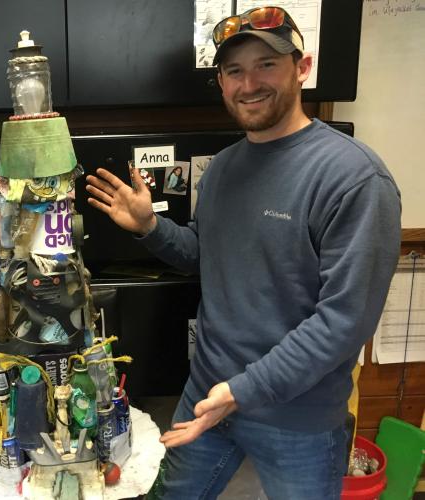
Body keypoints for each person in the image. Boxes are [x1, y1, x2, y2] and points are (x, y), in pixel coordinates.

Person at [86, 7, 401, 500]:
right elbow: (204, 257)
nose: (249, 83)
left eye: (266, 65)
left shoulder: (353, 178)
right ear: (222, 81)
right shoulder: (224, 169)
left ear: (303, 67)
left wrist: (242, 392)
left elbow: (345, 321)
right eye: (234, 70)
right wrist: (150, 227)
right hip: (209, 391)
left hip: (298, 418)